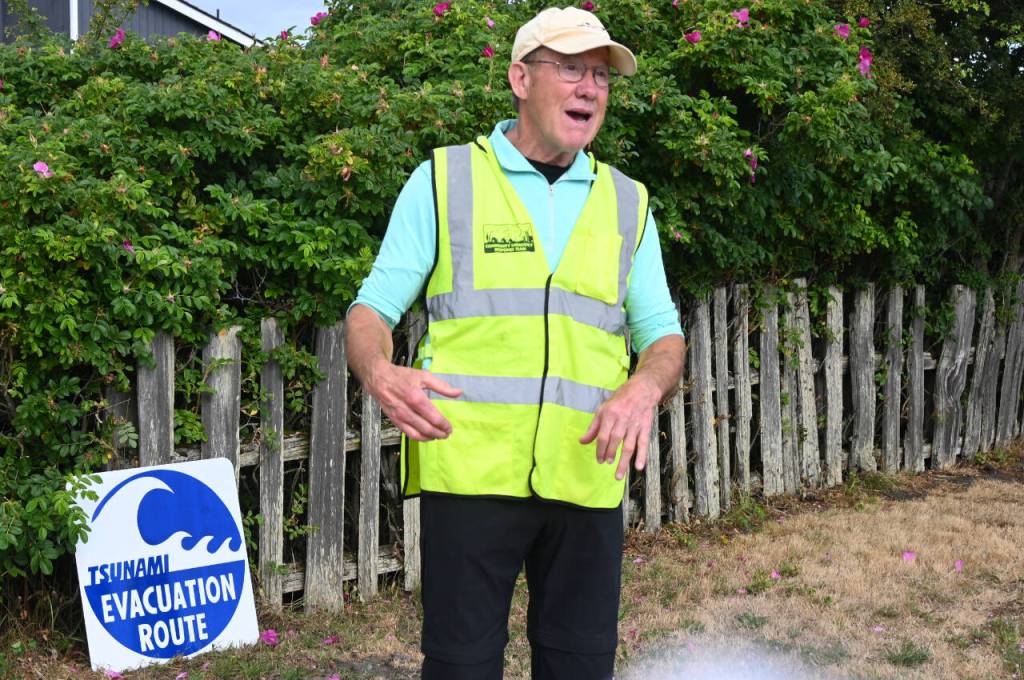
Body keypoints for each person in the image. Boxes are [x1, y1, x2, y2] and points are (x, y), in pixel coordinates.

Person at [345, 7, 686, 679]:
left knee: (580, 666)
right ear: (520, 79)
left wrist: (646, 385)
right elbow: (370, 310)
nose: (590, 88)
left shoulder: (628, 202)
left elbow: (663, 336)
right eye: (571, 71)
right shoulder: (445, 182)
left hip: (587, 477)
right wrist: (380, 372)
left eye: (601, 76)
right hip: (469, 473)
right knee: (462, 667)